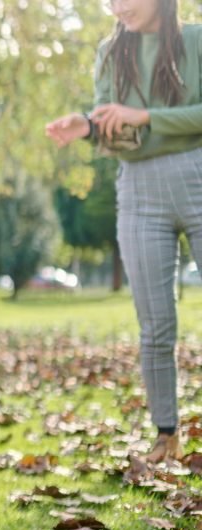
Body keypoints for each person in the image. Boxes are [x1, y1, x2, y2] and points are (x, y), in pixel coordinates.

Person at [46, 0, 201, 463]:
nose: (117, 6)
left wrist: (148, 115)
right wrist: (88, 126)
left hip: (197, 174)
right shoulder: (110, 51)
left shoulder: (195, 39)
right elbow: (116, 130)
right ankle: (166, 435)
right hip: (138, 191)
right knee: (155, 325)